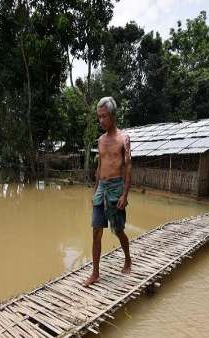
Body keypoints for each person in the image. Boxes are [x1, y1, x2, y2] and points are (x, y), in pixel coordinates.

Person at [83, 96, 132, 287]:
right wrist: (95, 191)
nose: (101, 120)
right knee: (96, 231)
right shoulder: (100, 140)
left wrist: (125, 195)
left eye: (104, 116)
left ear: (112, 115)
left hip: (116, 188)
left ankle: (128, 259)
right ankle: (95, 273)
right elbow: (99, 167)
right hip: (101, 189)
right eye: (99, 117)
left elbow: (128, 167)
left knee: (118, 230)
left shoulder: (123, 139)